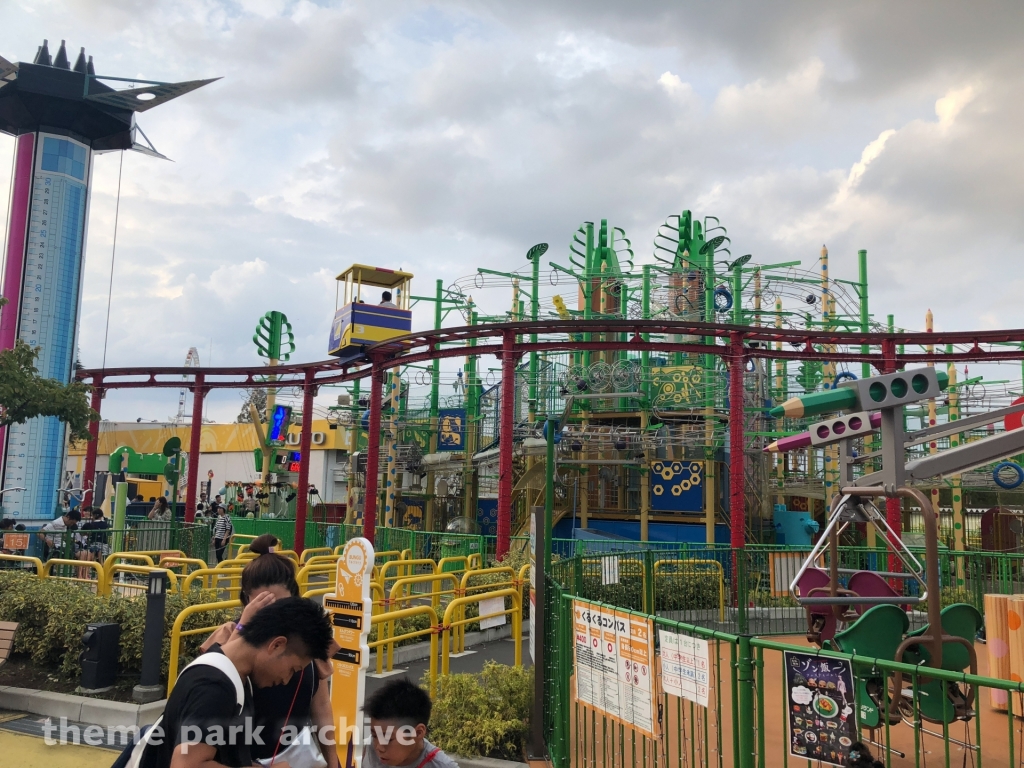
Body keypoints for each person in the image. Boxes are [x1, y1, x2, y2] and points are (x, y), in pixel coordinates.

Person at [126, 597, 333, 768]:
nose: (286, 680)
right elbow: (187, 765)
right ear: (277, 645)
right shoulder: (215, 686)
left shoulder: (234, 676)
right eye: (293, 669)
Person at [201, 534, 339, 768]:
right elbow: (217, 688)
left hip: (294, 753)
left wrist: (334, 763)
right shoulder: (229, 639)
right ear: (247, 600)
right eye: (263, 605)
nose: (275, 614)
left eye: (281, 604)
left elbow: (321, 707)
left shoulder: (307, 643)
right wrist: (243, 629)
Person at [363, 678, 458, 768]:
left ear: (418, 733)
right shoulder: (362, 752)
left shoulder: (442, 765)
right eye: (374, 735)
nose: (379, 747)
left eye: (387, 738)